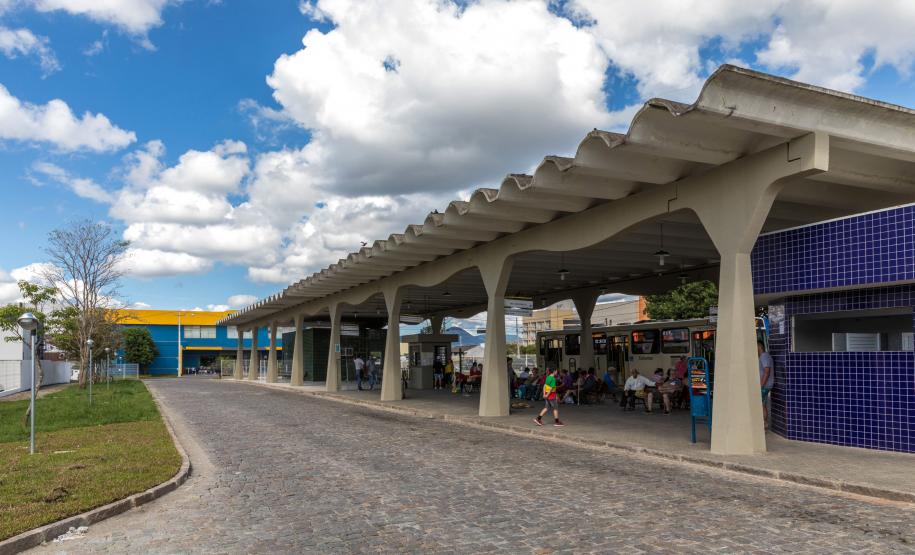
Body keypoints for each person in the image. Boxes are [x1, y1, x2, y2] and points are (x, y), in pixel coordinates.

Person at [759, 341, 774, 429]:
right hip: (766, 385)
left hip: (765, 385)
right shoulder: (765, 356)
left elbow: (767, 371)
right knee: (762, 404)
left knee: (759, 404)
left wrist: (761, 385)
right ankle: (765, 424)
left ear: (759, 347)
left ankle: (764, 424)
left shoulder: (763, 356)